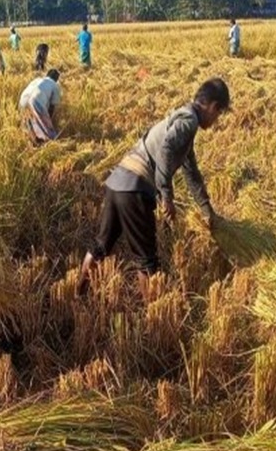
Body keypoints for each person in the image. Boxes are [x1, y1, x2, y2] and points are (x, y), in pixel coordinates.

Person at [76, 78, 231, 295]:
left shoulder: (181, 120)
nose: (216, 120)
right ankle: (154, 321)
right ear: (214, 107)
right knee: (147, 262)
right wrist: (166, 193)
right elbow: (166, 149)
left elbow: (192, 174)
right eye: (219, 114)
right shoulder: (189, 122)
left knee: (100, 246)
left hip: (117, 182)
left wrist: (208, 212)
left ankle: (78, 294)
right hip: (135, 189)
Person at [19, 69, 61, 144]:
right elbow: (52, 106)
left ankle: (31, 142)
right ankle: (50, 143)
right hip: (35, 100)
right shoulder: (55, 85)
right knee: (46, 129)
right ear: (56, 79)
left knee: (28, 124)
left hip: (23, 99)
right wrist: (49, 121)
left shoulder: (37, 79)